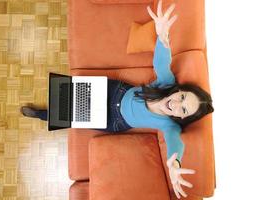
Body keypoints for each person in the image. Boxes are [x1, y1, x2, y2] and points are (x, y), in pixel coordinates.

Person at [21, 1, 214, 199]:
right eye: (182, 97)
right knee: (70, 94)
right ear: (179, 90)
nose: (176, 104)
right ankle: (55, 105)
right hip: (115, 92)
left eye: (183, 110)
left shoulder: (171, 127)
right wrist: (163, 39)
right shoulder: (166, 84)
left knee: (72, 115)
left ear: (182, 118)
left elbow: (175, 147)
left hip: (113, 120)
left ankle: (41, 115)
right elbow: (161, 63)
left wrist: (174, 164)